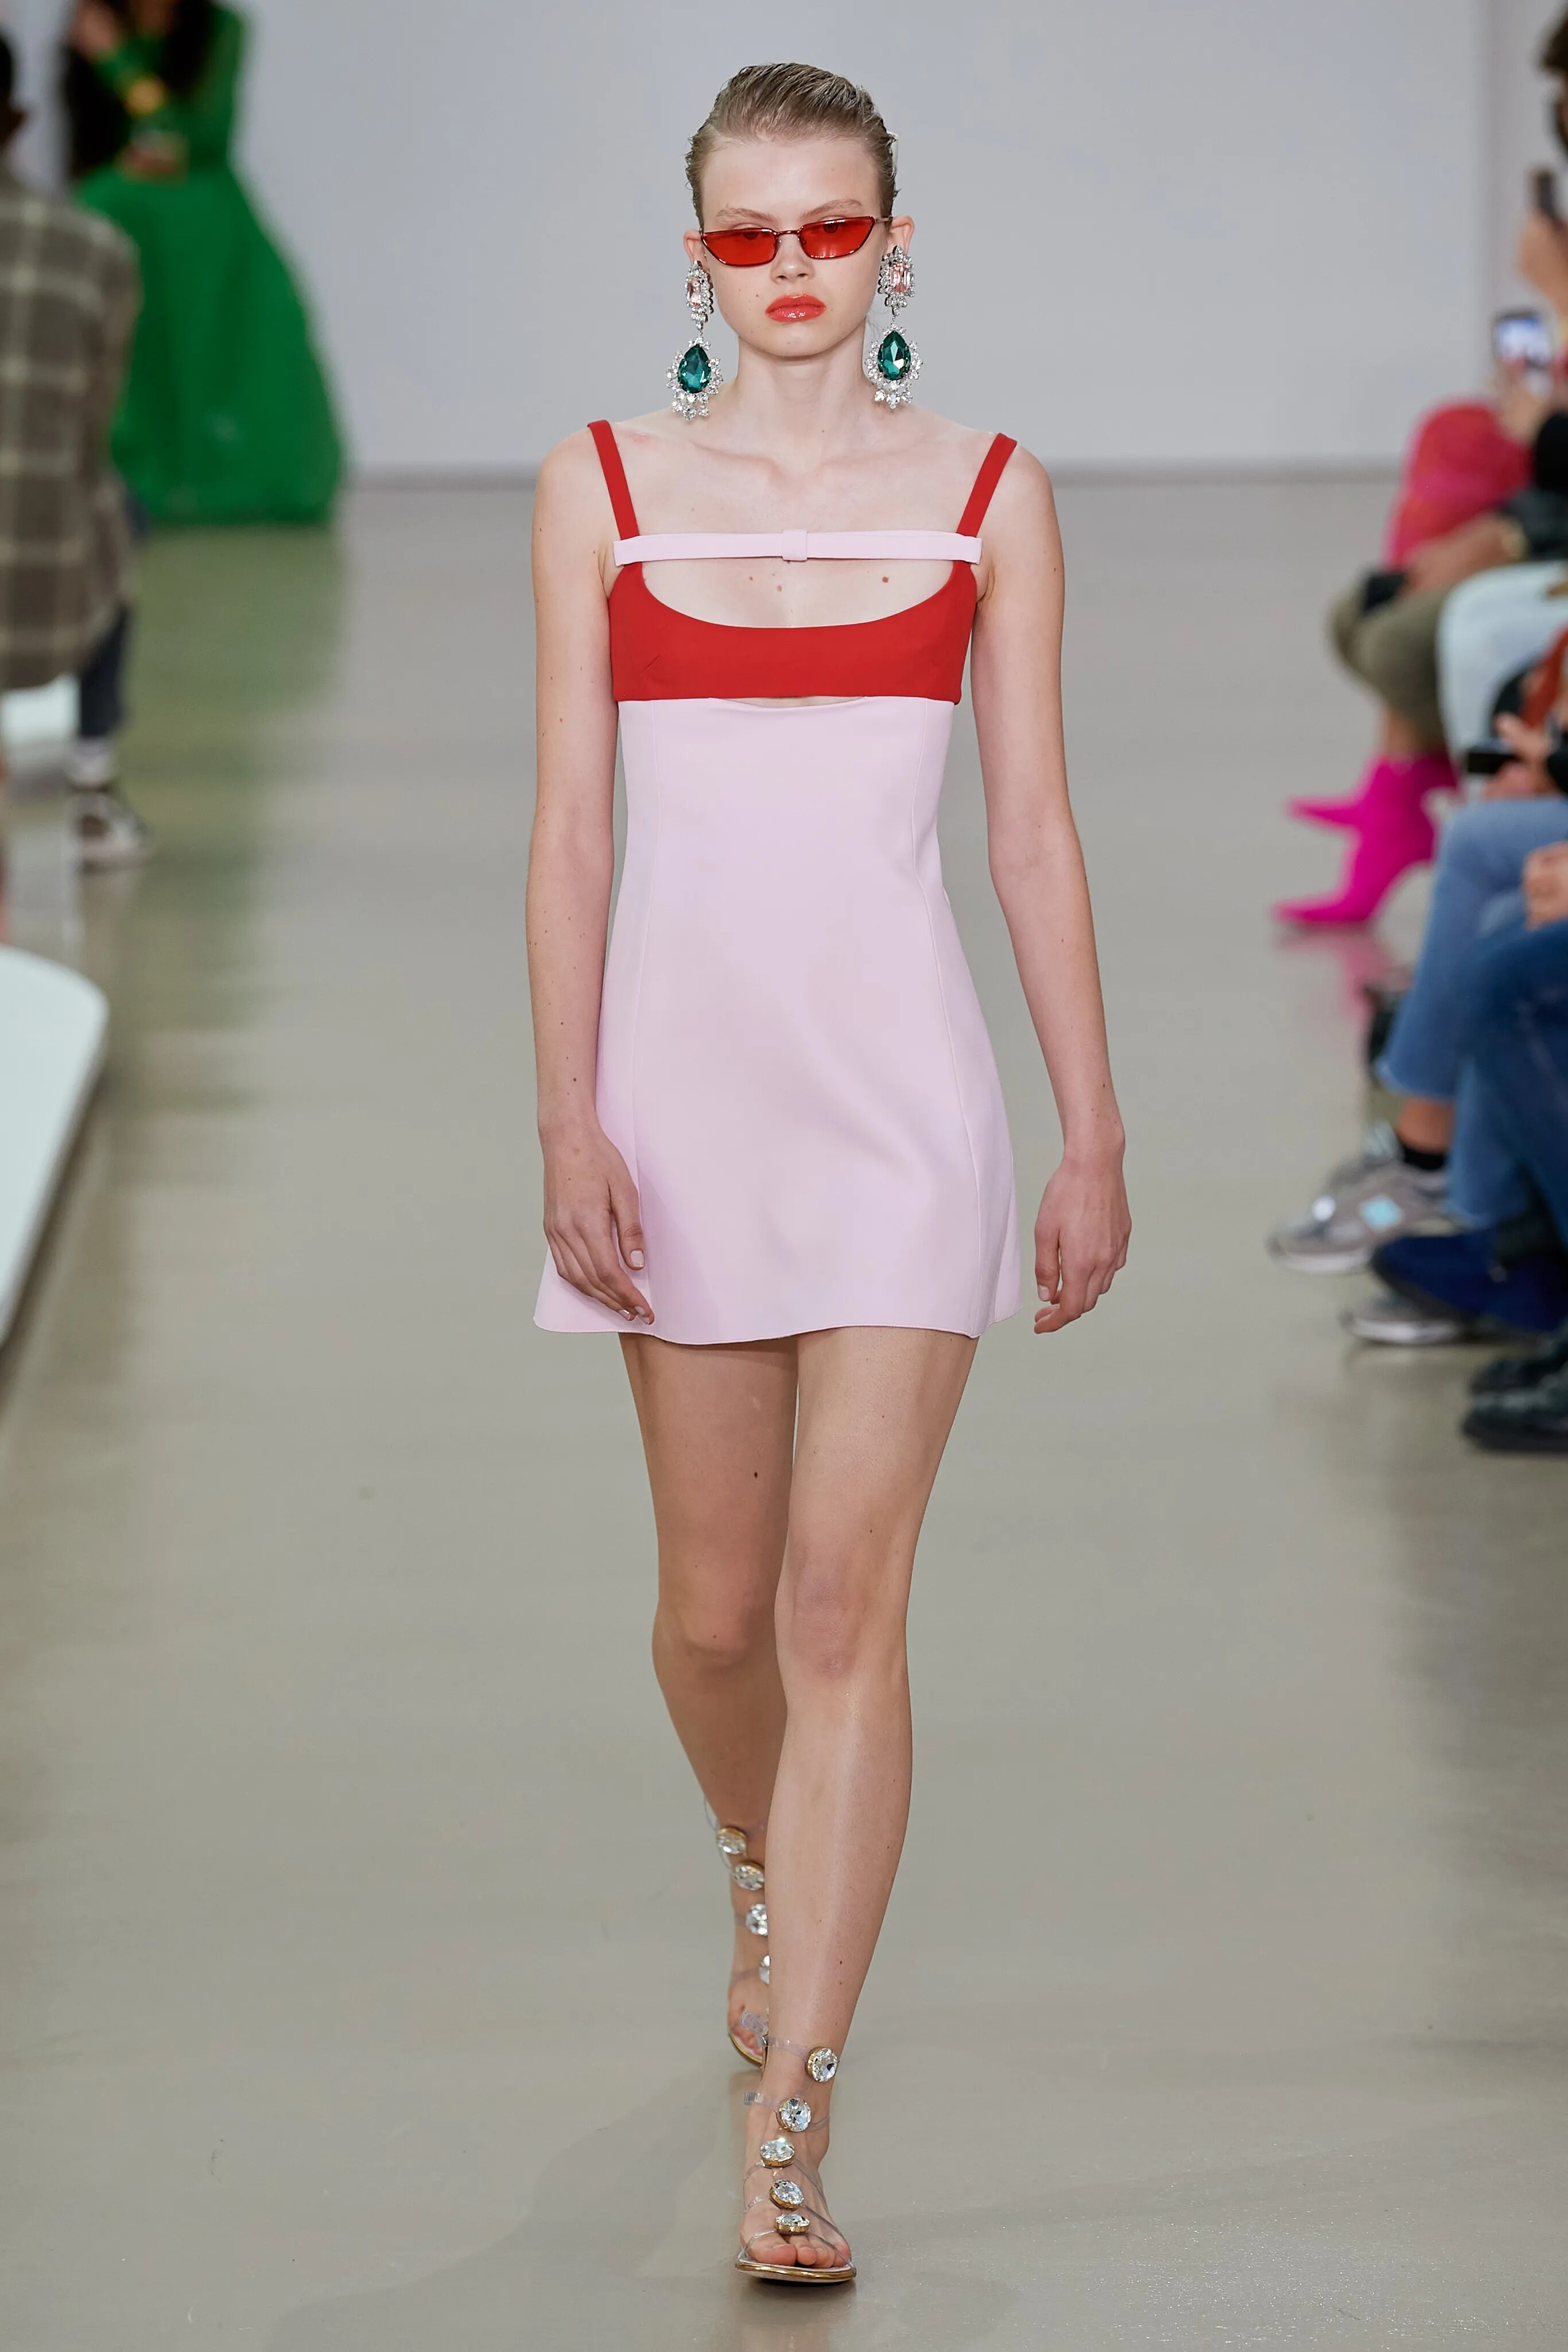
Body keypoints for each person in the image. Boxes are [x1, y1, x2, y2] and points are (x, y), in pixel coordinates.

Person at [526, 63, 1130, 2284]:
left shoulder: (988, 493)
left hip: (901, 1107)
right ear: (696, 255)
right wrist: (566, 1114)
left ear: (894, 238)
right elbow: (570, 830)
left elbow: (1030, 829)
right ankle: (761, 1865)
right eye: (750, 234)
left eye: (832, 227)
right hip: (677, 1108)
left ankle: (794, 2114)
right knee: (711, 1620)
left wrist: (1089, 1125)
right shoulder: (602, 487)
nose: (793, 269)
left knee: (836, 1612)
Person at [64, 0, 340, 525]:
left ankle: (213, 479)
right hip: (122, 206)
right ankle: (131, 477)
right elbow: (89, 138)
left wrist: (117, 60)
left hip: (203, 212)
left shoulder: (220, 27)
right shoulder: (95, 18)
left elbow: (201, 136)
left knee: (242, 326)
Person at [0, 30, 148, 867]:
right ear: (17, 120)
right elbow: (95, 421)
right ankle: (91, 784)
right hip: (44, 588)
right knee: (120, 513)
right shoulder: (94, 249)